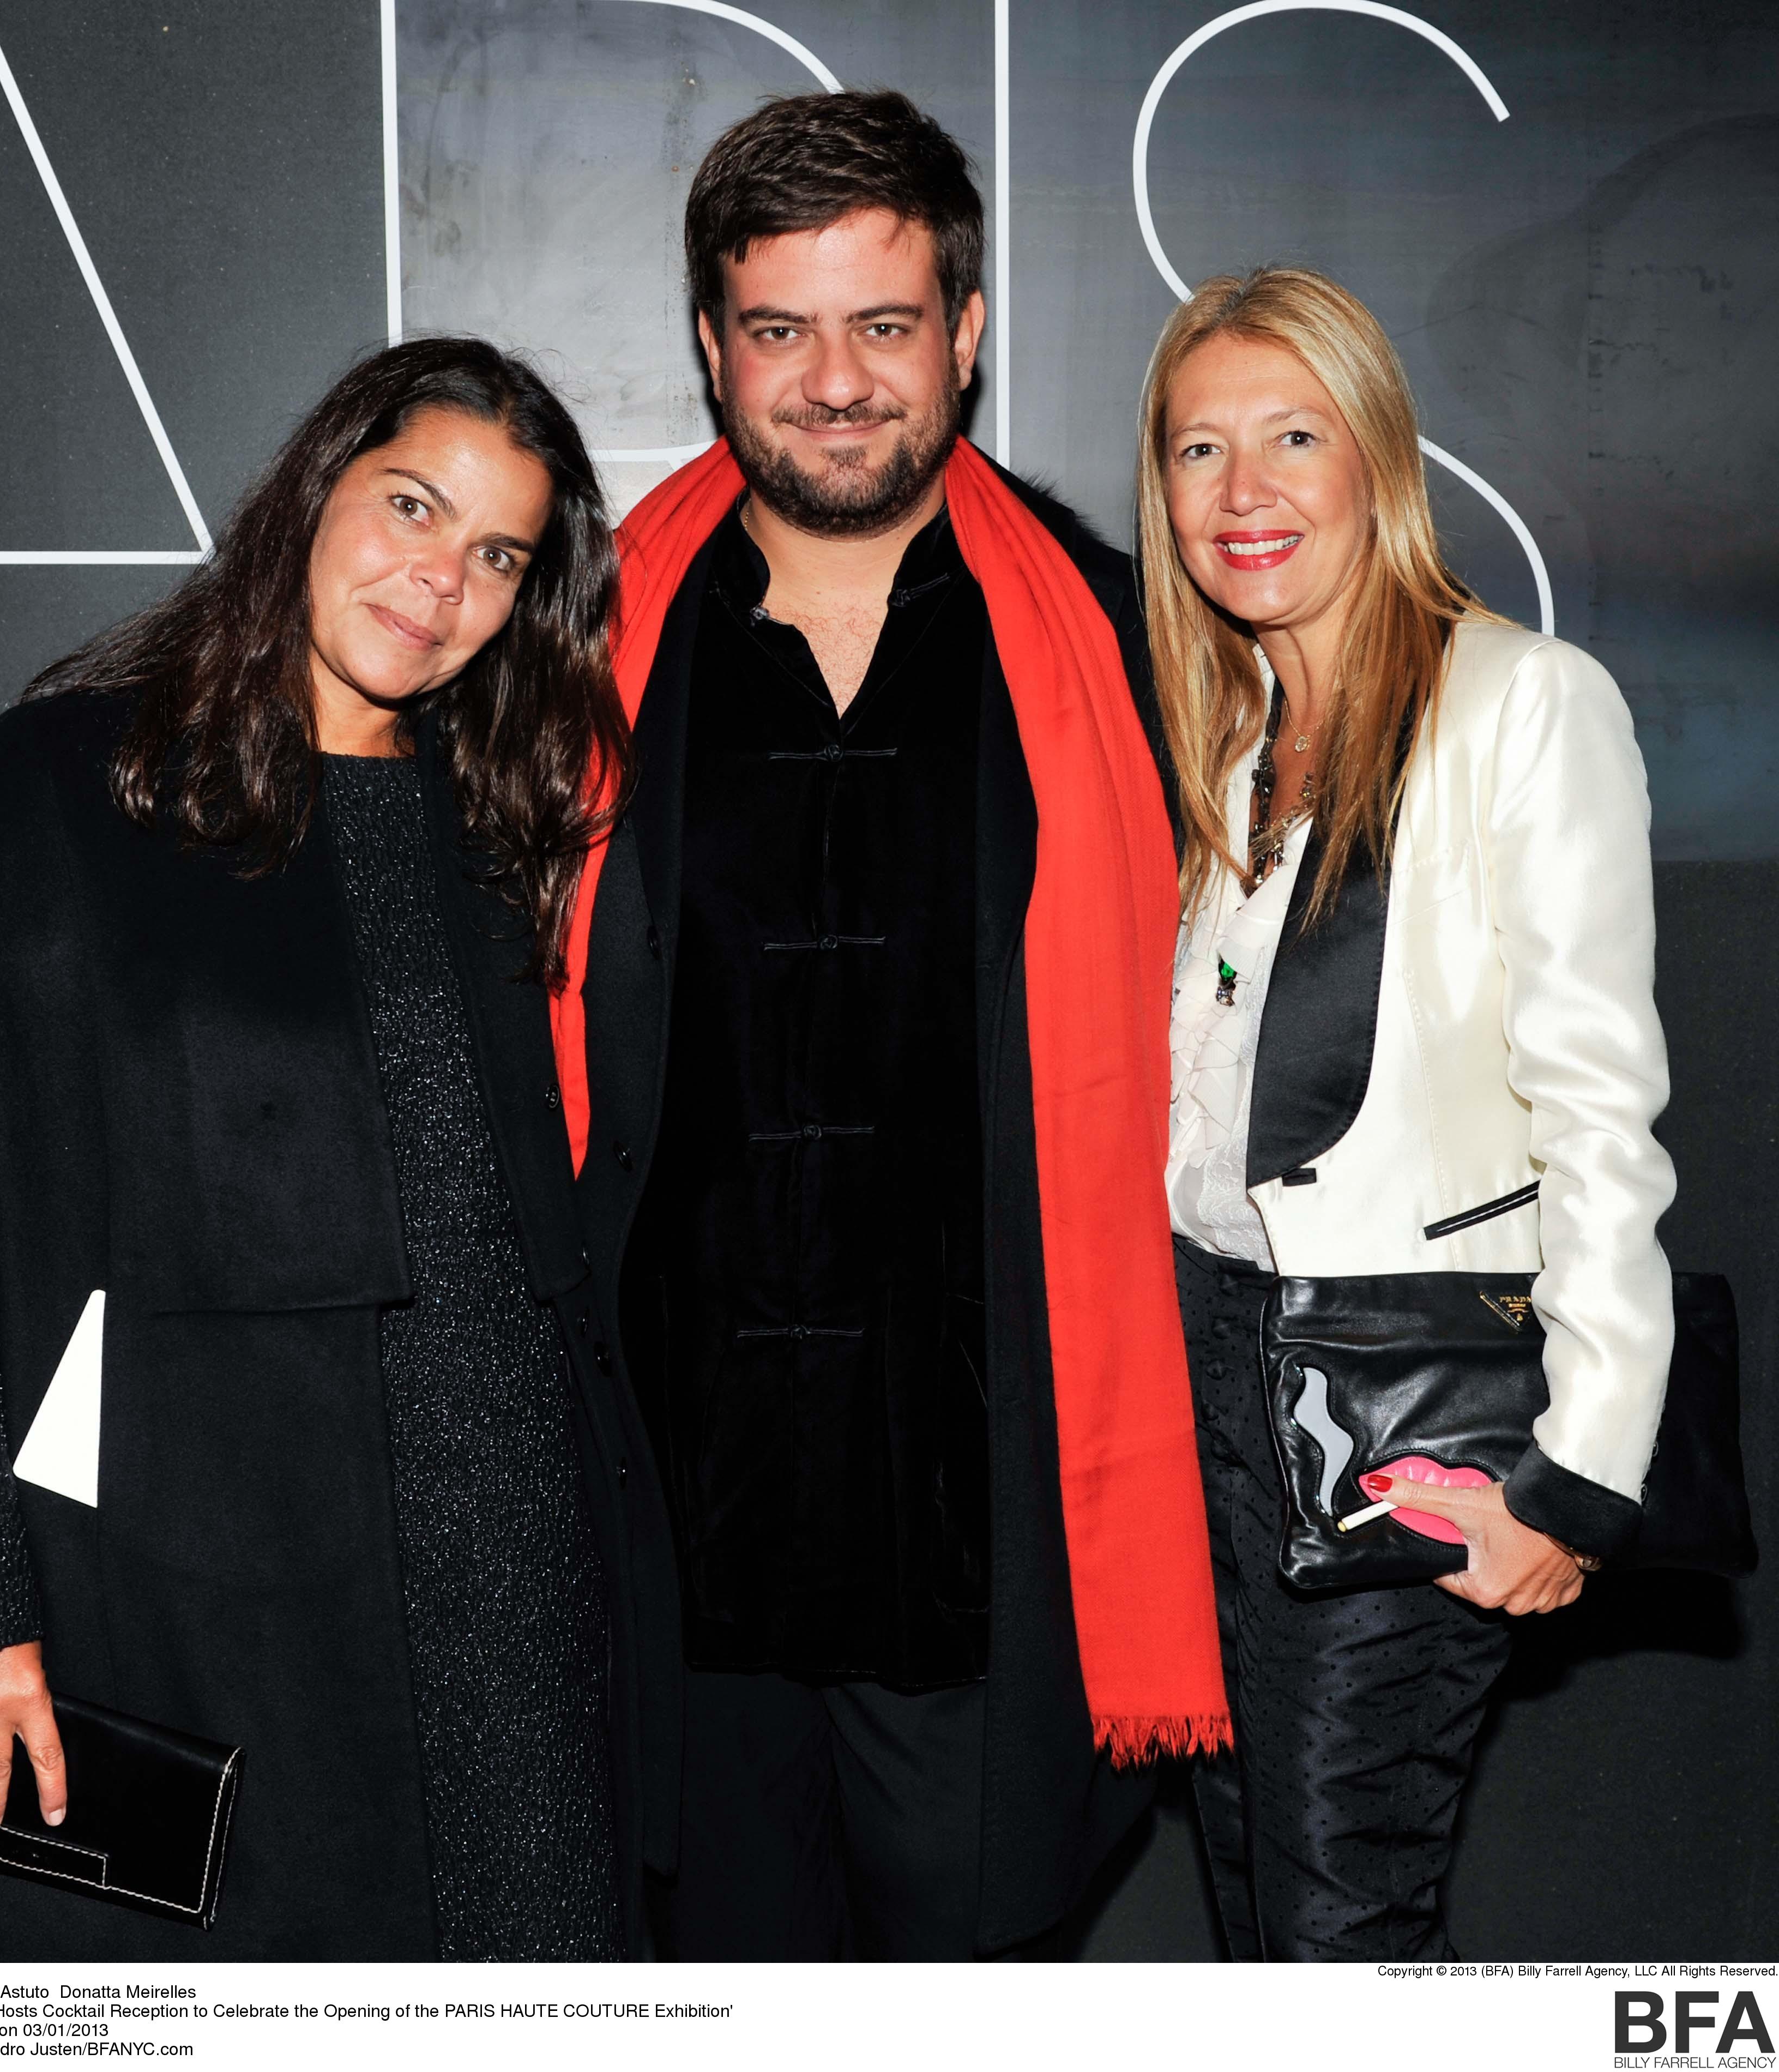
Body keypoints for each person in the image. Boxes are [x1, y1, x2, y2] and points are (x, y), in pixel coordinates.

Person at [0, 338, 680, 1960]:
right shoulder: (74, 782)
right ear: (316, 487)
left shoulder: (502, 816)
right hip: (194, 1561)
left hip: (515, 1552)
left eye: (498, 556)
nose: (440, 581)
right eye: (412, 506)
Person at [550, 90, 1229, 1961]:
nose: (835, 381)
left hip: (988, 1558)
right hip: (676, 1551)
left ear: (968, 332)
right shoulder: (570, 654)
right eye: (780, 328)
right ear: (712, 345)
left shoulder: (1128, 651)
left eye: (884, 324)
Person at [1142, 267, 1676, 1960]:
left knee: (1338, 1929)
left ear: (1377, 453)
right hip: (1204, 1386)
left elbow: (1600, 1111)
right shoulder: (1229, 740)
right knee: (1253, 1899)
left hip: (1408, 1407)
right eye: (1200, 449)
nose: (1244, 491)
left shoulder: (1520, 702)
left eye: (1293, 437)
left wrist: (1574, 1477)